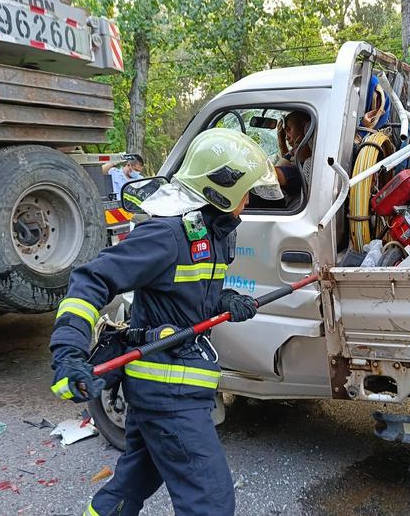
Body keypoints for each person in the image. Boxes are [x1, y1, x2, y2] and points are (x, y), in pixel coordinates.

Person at [49, 129, 284, 516]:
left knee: (135, 480)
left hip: (168, 384)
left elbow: (182, 297)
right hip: (168, 390)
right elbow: (92, 279)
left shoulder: (213, 232)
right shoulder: (166, 233)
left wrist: (225, 301)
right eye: (246, 191)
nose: (249, 200)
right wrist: (68, 353)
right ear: (222, 189)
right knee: (210, 502)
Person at [274, 111, 313, 193]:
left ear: (305, 128)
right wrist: (281, 141)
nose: (286, 138)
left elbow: (270, 175)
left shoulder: (306, 169)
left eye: (289, 130)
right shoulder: (302, 163)